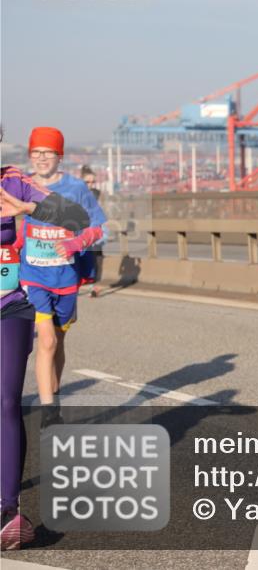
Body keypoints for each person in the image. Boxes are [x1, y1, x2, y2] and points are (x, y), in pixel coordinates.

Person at [1, 142, 90, 550]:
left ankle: (8, 512)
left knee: (5, 402)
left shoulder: (14, 183)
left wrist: (26, 210)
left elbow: (76, 217)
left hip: (10, 306)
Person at [17, 127, 106, 427]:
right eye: (36, 153)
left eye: (48, 152)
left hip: (66, 278)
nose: (42, 158)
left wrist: (77, 242)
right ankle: (49, 412)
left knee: (59, 341)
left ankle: (53, 394)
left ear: (60, 156)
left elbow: (98, 227)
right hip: (33, 276)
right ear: (30, 155)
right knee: (46, 340)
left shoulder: (77, 188)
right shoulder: (22, 184)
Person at [77, 165, 105, 297]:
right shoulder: (76, 194)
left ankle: (96, 286)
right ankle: (73, 285)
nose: (91, 185)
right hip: (80, 231)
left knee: (98, 257)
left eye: (93, 182)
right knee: (79, 258)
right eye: (87, 182)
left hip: (95, 229)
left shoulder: (97, 193)